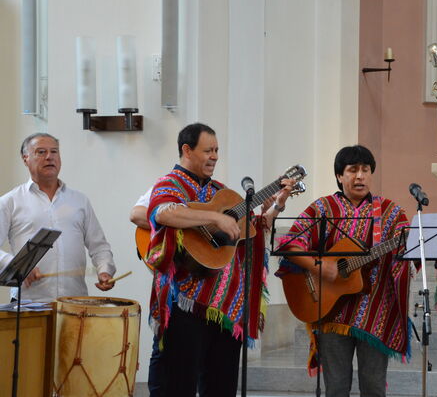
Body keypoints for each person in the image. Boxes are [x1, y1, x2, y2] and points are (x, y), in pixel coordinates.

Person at [144, 122, 294, 397]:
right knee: (179, 385)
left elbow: (251, 230)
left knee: (221, 387)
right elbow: (164, 213)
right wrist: (215, 217)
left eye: (217, 150)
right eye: (208, 150)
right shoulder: (169, 184)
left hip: (226, 308)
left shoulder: (221, 192)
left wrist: (275, 206)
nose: (214, 156)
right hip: (185, 305)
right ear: (187, 150)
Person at [276, 145, 411, 397]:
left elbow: (408, 253)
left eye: (365, 170)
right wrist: (321, 267)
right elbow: (289, 244)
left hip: (375, 313)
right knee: (336, 388)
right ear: (339, 176)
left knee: (373, 387)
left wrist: (407, 252)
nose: (360, 176)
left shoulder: (391, 212)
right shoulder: (323, 208)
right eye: (352, 170)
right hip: (330, 312)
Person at [0, 133, 116, 302]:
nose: (49, 157)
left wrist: (105, 269)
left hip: (74, 303)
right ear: (26, 158)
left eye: (54, 152)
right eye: (41, 152)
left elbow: (99, 246)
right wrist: (17, 265)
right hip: (29, 304)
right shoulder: (10, 202)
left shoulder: (79, 200)